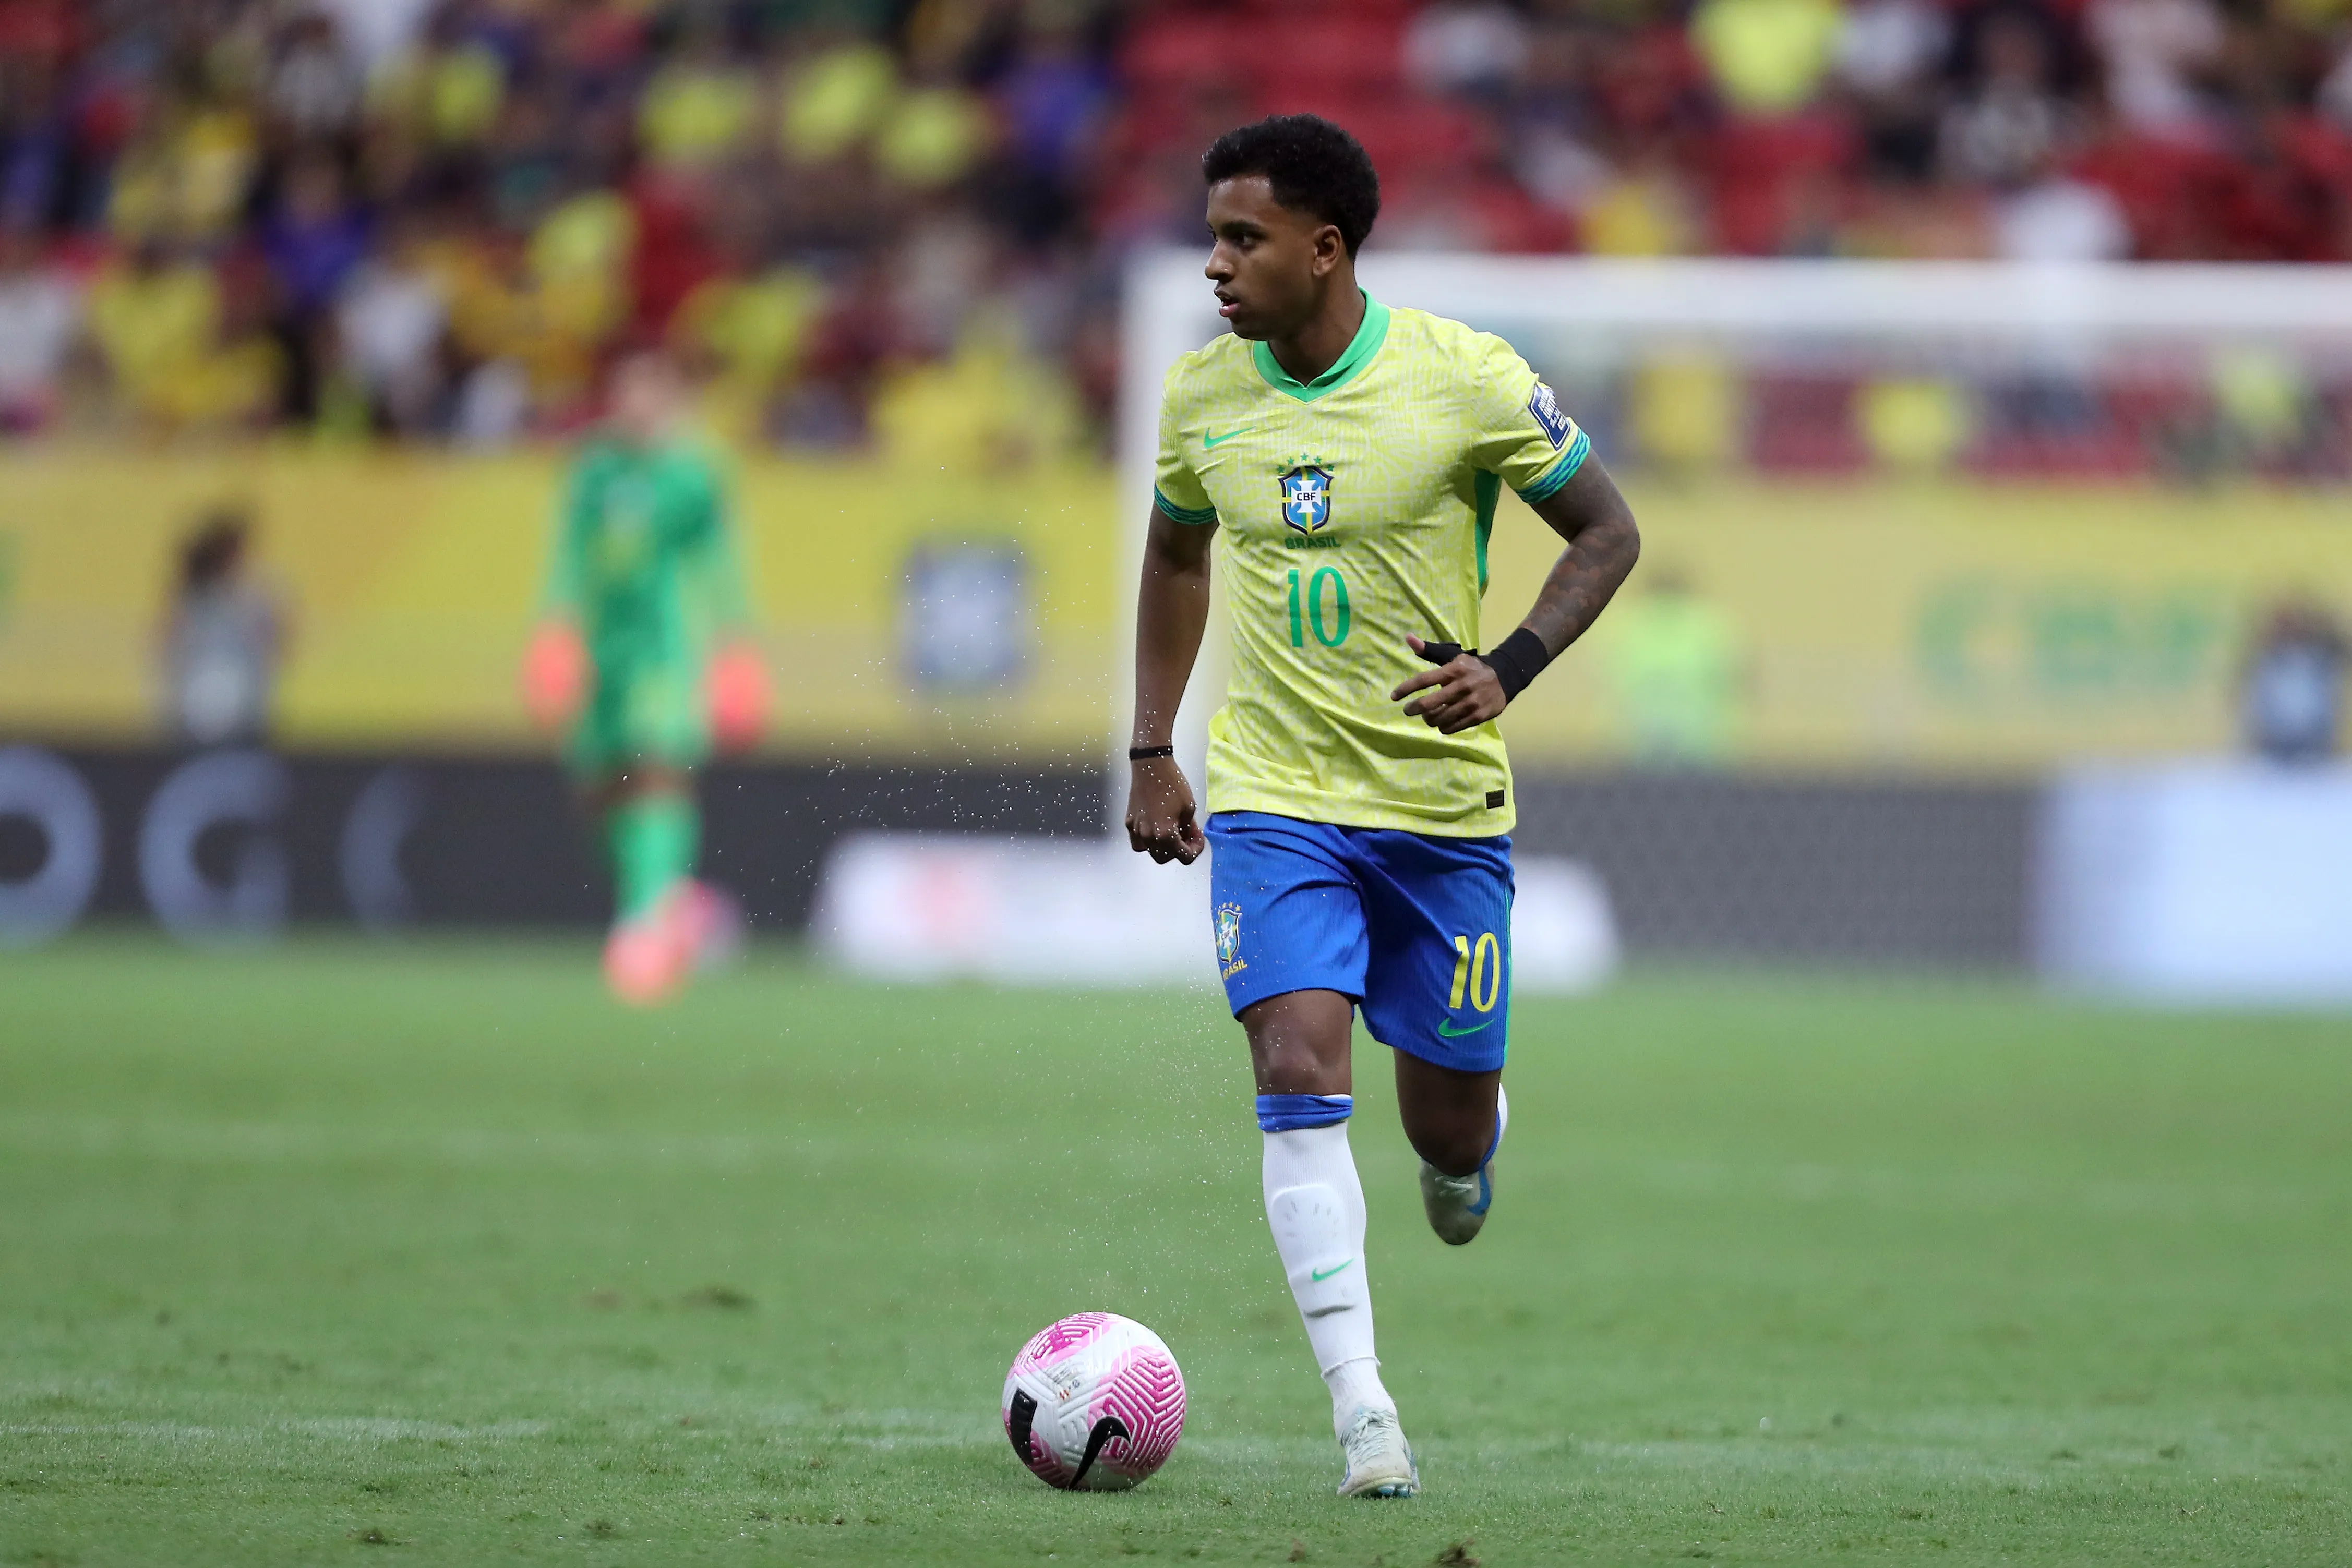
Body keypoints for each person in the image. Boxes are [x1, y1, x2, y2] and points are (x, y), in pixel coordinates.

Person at [1125, 115, 1640, 1499]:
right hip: (1276, 796)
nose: (1216, 265)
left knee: (1446, 1135)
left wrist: (1510, 665)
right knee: (1297, 1065)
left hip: (1439, 808)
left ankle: (1469, 1145)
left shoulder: (1464, 378)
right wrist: (1148, 747)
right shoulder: (1200, 396)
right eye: (1212, 234)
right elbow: (1175, 556)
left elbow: (1608, 529)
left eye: (1242, 238)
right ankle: (1363, 1407)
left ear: (1324, 247)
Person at [524, 347, 766, 1004]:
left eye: (650, 393)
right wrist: (554, 632)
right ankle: (669, 902)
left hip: (666, 647)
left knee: (658, 769)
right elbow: (568, 555)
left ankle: (643, 929)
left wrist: (735, 649)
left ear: (673, 400)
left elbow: (720, 563)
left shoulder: (695, 475)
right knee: (603, 790)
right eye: (626, 391)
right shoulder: (595, 470)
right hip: (602, 650)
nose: (636, 405)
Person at [160, 507, 287, 749]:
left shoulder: (253, 594)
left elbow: (277, 640)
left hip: (244, 708)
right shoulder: (192, 598)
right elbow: (167, 643)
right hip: (197, 704)